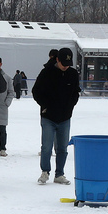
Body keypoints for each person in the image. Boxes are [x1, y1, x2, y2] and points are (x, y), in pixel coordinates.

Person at [31, 46, 81, 185]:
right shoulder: (46, 72)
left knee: (62, 148)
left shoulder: (72, 74)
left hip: (65, 117)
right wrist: (45, 106)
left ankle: (59, 174)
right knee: (46, 147)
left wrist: (71, 106)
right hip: (48, 117)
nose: (65, 67)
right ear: (57, 59)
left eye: (68, 64)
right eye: (63, 64)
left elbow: (76, 92)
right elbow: (35, 91)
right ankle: (45, 172)